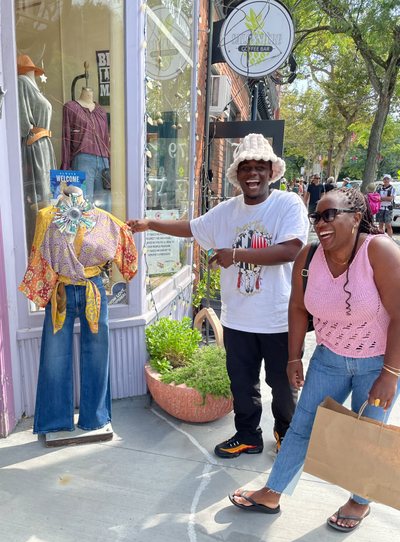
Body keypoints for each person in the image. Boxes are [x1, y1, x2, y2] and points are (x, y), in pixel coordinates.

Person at [229, 186, 400, 532]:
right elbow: (296, 307)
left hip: (377, 361)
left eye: (329, 214)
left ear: (355, 218)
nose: (320, 223)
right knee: (303, 426)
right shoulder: (308, 257)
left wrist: (391, 371)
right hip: (328, 358)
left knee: (368, 435)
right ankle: (272, 491)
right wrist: (294, 358)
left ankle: (359, 501)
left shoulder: (378, 250)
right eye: (316, 216)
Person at [127, 133, 309, 456]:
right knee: (242, 383)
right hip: (238, 317)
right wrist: (149, 223)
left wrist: (235, 255)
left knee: (281, 385)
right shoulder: (227, 211)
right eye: (246, 167)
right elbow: (191, 228)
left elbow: (291, 249)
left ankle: (285, 433)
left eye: (259, 167)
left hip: (277, 318)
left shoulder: (287, 204)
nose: (252, 174)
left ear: (271, 171)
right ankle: (248, 436)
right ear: (237, 175)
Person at [19, 186, 138, 437]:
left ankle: (94, 419)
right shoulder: (46, 216)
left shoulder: (103, 219)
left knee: (97, 354)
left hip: (93, 289)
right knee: (54, 356)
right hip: (60, 289)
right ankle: (54, 421)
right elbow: (38, 255)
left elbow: (125, 246)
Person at [17, 54, 57, 249]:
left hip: (43, 145)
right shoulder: (22, 82)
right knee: (39, 195)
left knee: (47, 195)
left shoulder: (34, 86)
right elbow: (24, 122)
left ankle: (47, 244)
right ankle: (37, 245)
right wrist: (30, 140)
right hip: (34, 146)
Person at [61, 87, 111, 211]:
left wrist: (110, 164)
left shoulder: (101, 112)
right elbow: (66, 137)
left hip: (104, 161)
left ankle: (104, 231)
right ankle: (85, 231)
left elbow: (106, 138)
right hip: (83, 159)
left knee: (105, 205)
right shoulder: (71, 108)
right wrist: (66, 166)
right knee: (83, 205)